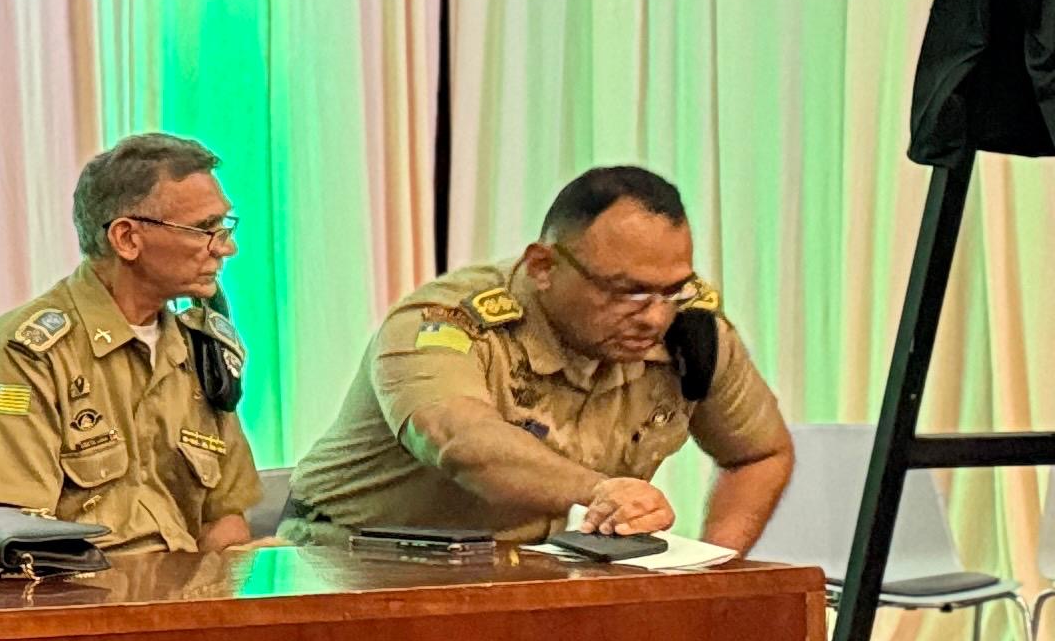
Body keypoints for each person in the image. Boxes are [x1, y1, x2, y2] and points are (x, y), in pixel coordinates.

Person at [290, 163, 794, 552]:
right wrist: (602, 491)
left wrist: (711, 574)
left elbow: (758, 454)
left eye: (672, 291)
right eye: (627, 292)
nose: (655, 317)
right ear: (544, 266)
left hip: (527, 575)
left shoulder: (689, 332)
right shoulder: (446, 322)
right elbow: (461, 442)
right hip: (356, 563)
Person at [0, 133, 262, 557]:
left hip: (180, 605)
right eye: (204, 229)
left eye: (224, 227)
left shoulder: (200, 351)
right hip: (77, 607)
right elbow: (16, 541)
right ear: (127, 238)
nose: (226, 248)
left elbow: (227, 518)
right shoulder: (25, 356)